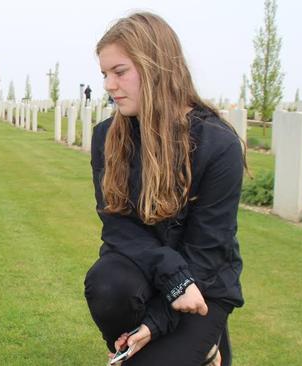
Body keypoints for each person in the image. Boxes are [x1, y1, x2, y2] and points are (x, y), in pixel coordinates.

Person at [84, 12, 245, 366]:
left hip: (203, 284)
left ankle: (207, 347)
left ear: (156, 66)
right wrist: (171, 276)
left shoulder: (218, 145)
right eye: (105, 74)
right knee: (107, 286)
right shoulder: (106, 137)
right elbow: (117, 225)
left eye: (120, 71)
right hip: (146, 270)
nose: (109, 85)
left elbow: (208, 251)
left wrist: (156, 323)